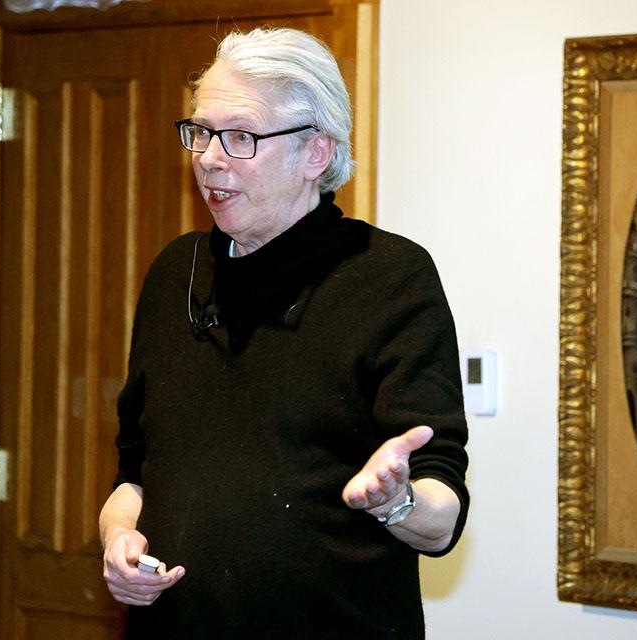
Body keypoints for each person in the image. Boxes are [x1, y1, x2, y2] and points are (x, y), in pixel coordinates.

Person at [98, 27, 469, 638]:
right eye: (201, 132)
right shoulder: (174, 273)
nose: (210, 158)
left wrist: (396, 501)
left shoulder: (390, 279)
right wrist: (119, 541)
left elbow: (443, 514)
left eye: (241, 137)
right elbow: (132, 476)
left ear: (316, 153)